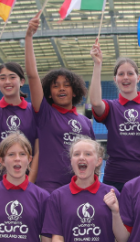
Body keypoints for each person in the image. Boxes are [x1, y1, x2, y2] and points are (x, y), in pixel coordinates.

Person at [25, 16, 94, 193]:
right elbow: (32, 76)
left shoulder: (86, 122)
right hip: (49, 187)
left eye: (66, 85)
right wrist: (29, 38)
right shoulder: (45, 113)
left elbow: (92, 156)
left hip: (79, 186)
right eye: (56, 86)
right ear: (49, 92)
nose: (61, 89)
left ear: (75, 91)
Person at [89, 42, 140, 192]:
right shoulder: (111, 107)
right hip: (116, 177)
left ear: (138, 78)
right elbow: (95, 102)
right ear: (115, 79)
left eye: (130, 73)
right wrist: (97, 65)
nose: (126, 77)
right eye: (121, 74)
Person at [0, 53, 39, 186]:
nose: (7, 82)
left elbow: (37, 150)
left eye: (12, 77)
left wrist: (30, 181)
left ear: (22, 81)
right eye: (2, 78)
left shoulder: (33, 111)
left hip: (26, 178)